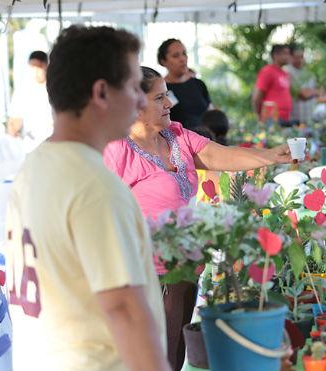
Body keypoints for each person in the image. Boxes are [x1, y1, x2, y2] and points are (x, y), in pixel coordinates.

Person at [104, 66, 292, 370]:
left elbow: (221, 155)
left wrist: (271, 155)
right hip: (144, 274)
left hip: (185, 266)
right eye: (159, 98)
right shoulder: (116, 149)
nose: (169, 104)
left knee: (174, 352)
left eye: (167, 96)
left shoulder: (176, 135)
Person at [5, 26, 170, 371]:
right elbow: (124, 310)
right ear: (101, 92)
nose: (141, 101)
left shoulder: (33, 167)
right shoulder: (95, 187)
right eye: (132, 86)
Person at [158, 38, 212, 131]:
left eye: (184, 53)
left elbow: (210, 111)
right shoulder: (161, 90)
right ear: (163, 61)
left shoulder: (198, 84)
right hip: (178, 142)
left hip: (206, 141)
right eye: (175, 56)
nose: (182, 59)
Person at [6, 50, 53, 153]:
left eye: (39, 67)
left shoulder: (55, 89)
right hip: (29, 148)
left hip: (52, 146)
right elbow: (13, 123)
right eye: (32, 67)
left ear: (46, 66)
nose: (35, 71)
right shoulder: (22, 91)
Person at [252, 44, 293, 126]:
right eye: (285, 53)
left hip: (285, 118)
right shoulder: (267, 71)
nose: (288, 56)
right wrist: (259, 116)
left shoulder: (284, 73)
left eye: (288, 53)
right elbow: (256, 97)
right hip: (271, 119)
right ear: (275, 55)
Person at [285, 44, 318, 125]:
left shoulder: (309, 73)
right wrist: (315, 92)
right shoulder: (286, 72)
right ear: (290, 57)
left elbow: (318, 91)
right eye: (296, 57)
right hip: (292, 119)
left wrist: (313, 92)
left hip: (309, 117)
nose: (299, 60)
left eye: (301, 57)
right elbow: (303, 94)